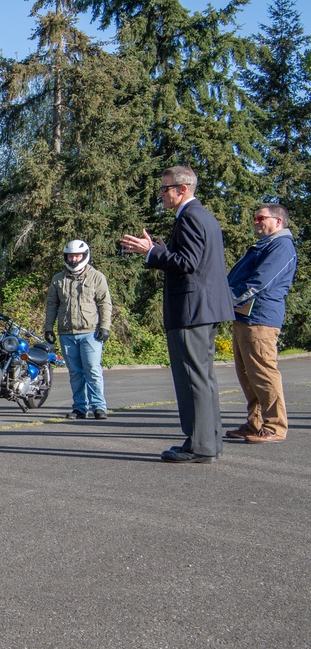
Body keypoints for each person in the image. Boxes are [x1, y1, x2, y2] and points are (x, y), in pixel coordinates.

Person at [120, 166, 234, 464]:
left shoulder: (191, 217)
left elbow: (188, 263)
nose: (160, 193)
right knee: (203, 377)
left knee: (191, 378)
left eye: (165, 188)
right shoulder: (201, 216)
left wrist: (151, 252)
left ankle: (199, 445)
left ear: (182, 189)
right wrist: (157, 249)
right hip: (202, 308)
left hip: (191, 310)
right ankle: (209, 441)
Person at [225, 204, 297, 444]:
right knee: (247, 374)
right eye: (254, 217)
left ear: (278, 221)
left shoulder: (281, 246)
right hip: (244, 317)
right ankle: (255, 423)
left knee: (264, 372)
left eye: (260, 217)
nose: (255, 221)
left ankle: (275, 426)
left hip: (261, 319)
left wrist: (225, 299)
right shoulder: (267, 244)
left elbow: (260, 281)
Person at [44, 240, 113, 420]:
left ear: (84, 256)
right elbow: (52, 304)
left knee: (92, 369)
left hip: (91, 332)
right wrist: (48, 328)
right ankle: (80, 407)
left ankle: (99, 406)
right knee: (75, 372)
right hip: (66, 333)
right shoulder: (58, 279)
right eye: (70, 256)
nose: (74, 259)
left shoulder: (97, 277)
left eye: (77, 256)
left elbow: (105, 303)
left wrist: (105, 327)